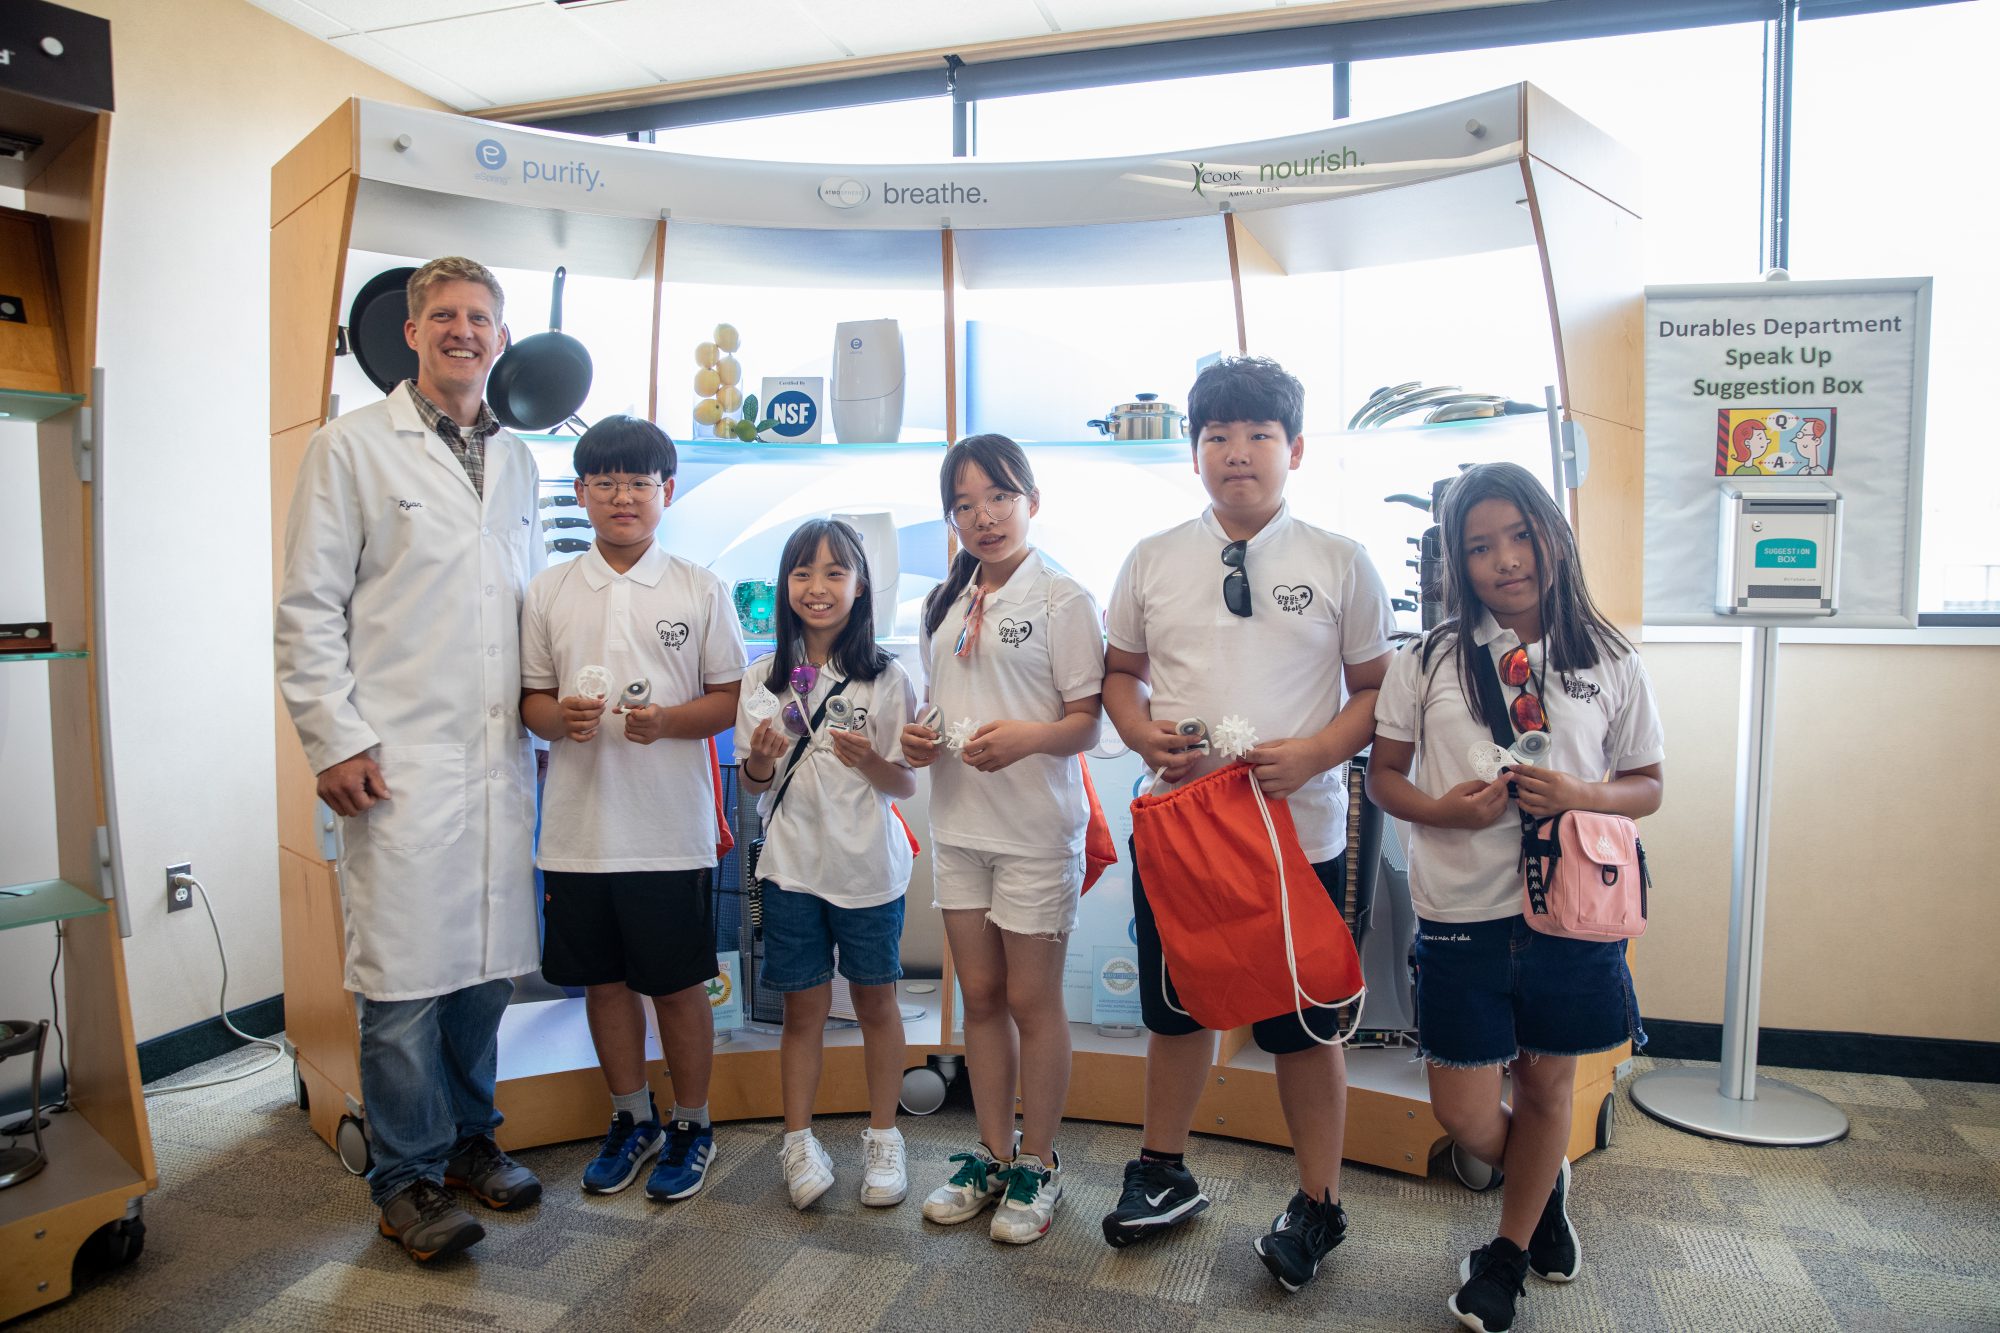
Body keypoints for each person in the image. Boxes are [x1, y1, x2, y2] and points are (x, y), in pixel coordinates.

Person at [1097, 356, 1394, 1292]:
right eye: (1217, 436)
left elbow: (1375, 691)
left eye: (1259, 434)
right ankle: (1163, 1169)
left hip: (1295, 834)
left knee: (1305, 1029)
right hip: (1182, 832)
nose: (1237, 453)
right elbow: (1120, 676)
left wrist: (1316, 753)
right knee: (1177, 1011)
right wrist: (1144, 733)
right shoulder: (1152, 557)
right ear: (1194, 453)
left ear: (1294, 448)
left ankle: (1318, 1204)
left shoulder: (1340, 560)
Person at [276, 256, 544, 1262]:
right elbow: (307, 608)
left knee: (481, 974)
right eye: (444, 315)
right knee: (398, 986)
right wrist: (334, 737)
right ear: (411, 331)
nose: (462, 331)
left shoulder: (516, 460)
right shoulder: (350, 450)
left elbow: (512, 606)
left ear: (501, 337)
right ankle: (406, 1178)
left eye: (480, 316)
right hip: (393, 761)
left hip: (491, 760)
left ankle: (473, 1141)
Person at [1367, 461, 1664, 1332]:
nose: (1505, 560)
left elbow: (1646, 783)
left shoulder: (1608, 656)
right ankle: (1545, 1178)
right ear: (1457, 564)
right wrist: (1440, 811)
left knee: (1547, 1089)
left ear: (1552, 535)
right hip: (1461, 910)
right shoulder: (1423, 659)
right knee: (1463, 1113)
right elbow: (1384, 778)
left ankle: (1505, 1253)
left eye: (1520, 536)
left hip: (1571, 911)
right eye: (1480, 546)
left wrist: (1582, 793)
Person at [518, 415, 746, 1202]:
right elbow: (531, 701)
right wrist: (560, 720)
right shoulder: (549, 589)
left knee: (679, 985)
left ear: (667, 492)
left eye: (640, 482)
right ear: (580, 492)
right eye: (605, 482)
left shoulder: (697, 585)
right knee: (603, 985)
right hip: (578, 835)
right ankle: (630, 1116)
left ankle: (692, 1122)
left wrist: (669, 722)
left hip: (669, 831)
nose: (623, 496)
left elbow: (728, 698)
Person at [901, 435, 1105, 1244]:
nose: (983, 517)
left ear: (1032, 500)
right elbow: (934, 705)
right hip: (958, 826)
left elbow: (1088, 722)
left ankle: (1040, 1164)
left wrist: (1029, 737)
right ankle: (991, 1153)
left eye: (999, 496)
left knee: (1030, 999)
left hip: (1033, 831)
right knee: (979, 998)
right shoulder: (943, 600)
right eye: (964, 504)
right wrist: (917, 740)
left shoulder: (1063, 599)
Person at [733, 518, 919, 1211]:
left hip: (868, 866)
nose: (818, 587)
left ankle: (882, 1136)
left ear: (860, 584)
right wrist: (757, 758)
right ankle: (798, 1138)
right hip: (791, 867)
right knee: (802, 1009)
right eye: (803, 572)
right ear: (785, 587)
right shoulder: (764, 677)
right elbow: (754, 784)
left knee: (877, 1001)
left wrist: (873, 761)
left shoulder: (886, 675)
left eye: (834, 572)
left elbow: (904, 784)